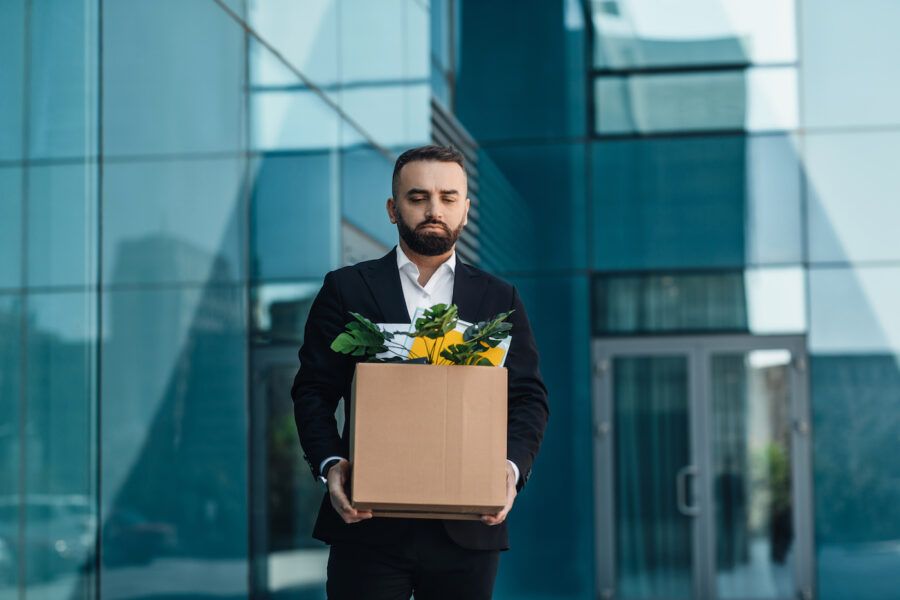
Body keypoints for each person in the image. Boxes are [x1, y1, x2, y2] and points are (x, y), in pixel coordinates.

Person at [291, 144, 549, 599]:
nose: (434, 210)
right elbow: (313, 390)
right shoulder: (346, 289)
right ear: (393, 209)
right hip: (367, 524)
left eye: (448, 198)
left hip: (468, 529)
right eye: (418, 197)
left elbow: (527, 397)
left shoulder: (499, 298)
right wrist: (331, 465)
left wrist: (509, 471)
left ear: (465, 210)